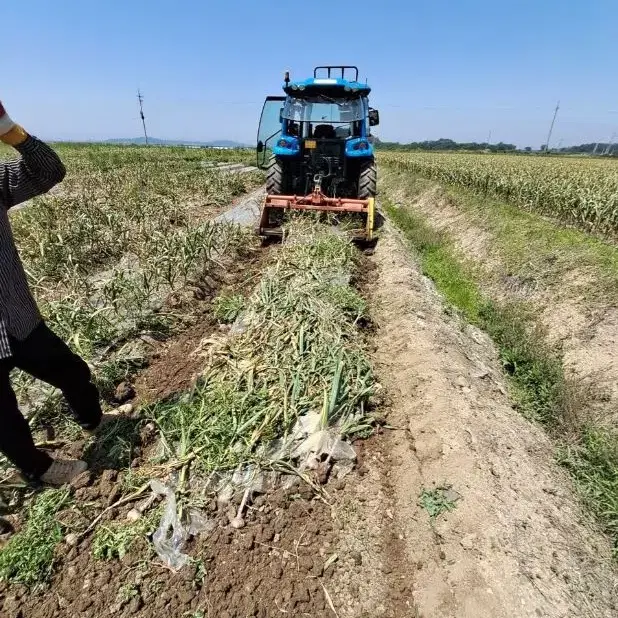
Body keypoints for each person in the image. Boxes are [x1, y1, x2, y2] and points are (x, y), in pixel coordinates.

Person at [0, 100, 109, 486]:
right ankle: (39, 469)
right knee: (3, 417)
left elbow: (49, 171)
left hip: (16, 319)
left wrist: (9, 129)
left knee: (72, 372)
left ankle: (91, 420)